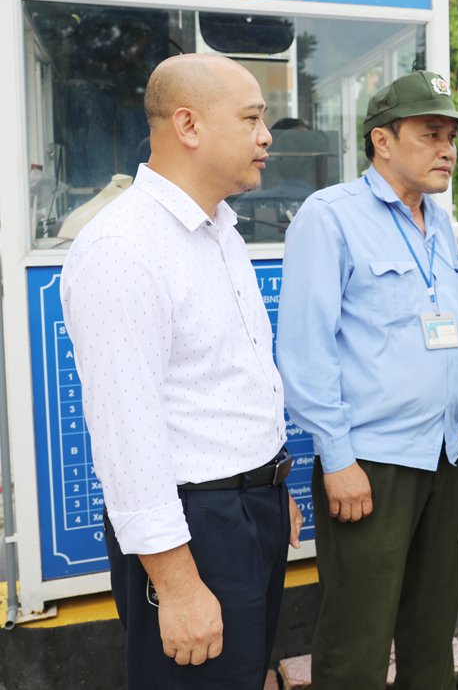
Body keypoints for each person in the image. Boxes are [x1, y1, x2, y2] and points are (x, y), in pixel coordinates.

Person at [60, 54, 304, 690]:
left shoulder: (219, 228)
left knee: (242, 675)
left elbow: (230, 381)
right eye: (251, 118)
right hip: (197, 530)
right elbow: (126, 439)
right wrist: (178, 585)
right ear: (189, 126)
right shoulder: (124, 248)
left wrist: (272, 487)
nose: (266, 136)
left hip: (252, 507)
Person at [277, 70, 458, 690]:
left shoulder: (440, 224)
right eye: (431, 133)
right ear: (383, 141)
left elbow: (454, 329)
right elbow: (304, 351)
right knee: (358, 637)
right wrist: (337, 458)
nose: (448, 148)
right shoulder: (331, 217)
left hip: (444, 456)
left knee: (432, 630)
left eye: (452, 136)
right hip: (370, 465)